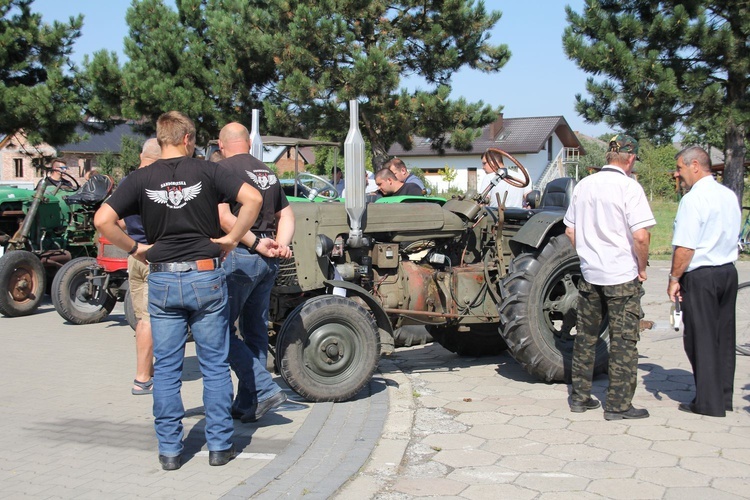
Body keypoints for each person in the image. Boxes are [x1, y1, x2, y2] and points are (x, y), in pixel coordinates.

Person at [94, 111, 263, 471]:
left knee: (167, 368)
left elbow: (102, 220)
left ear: (161, 138)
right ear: (187, 139)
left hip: (163, 278)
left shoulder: (140, 178)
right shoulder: (208, 170)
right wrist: (232, 239)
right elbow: (254, 200)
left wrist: (134, 249)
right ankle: (219, 447)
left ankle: (170, 451)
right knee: (215, 365)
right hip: (206, 276)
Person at [564, 134, 655, 421]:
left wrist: (588, 255)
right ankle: (618, 405)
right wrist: (642, 267)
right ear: (630, 158)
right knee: (624, 341)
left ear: (608, 156)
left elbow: (570, 230)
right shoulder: (630, 187)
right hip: (621, 276)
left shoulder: (583, 186)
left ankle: (579, 397)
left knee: (586, 338)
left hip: (591, 274)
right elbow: (641, 235)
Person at [217, 122, 294, 423]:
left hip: (241, 257)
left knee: (219, 331)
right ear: (248, 143)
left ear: (222, 146)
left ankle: (263, 389)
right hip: (268, 263)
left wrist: (256, 243)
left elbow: (225, 219)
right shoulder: (268, 172)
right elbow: (286, 214)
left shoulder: (223, 171)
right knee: (255, 331)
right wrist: (280, 246)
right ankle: (249, 405)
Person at [668, 146, 740, 417]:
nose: (678, 173)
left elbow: (685, 248)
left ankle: (708, 403)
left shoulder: (693, 199)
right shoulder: (728, 195)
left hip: (702, 274)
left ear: (695, 165)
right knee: (723, 335)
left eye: (680, 168)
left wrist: (674, 278)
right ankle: (723, 396)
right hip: (727, 271)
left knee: (701, 337)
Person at [122, 138, 160, 396]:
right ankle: (142, 377)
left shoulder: (129, 181)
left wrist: (132, 247)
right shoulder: (157, 181)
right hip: (153, 255)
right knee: (149, 320)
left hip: (134, 257)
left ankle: (148, 370)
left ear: (141, 155)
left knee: (141, 318)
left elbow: (114, 220)